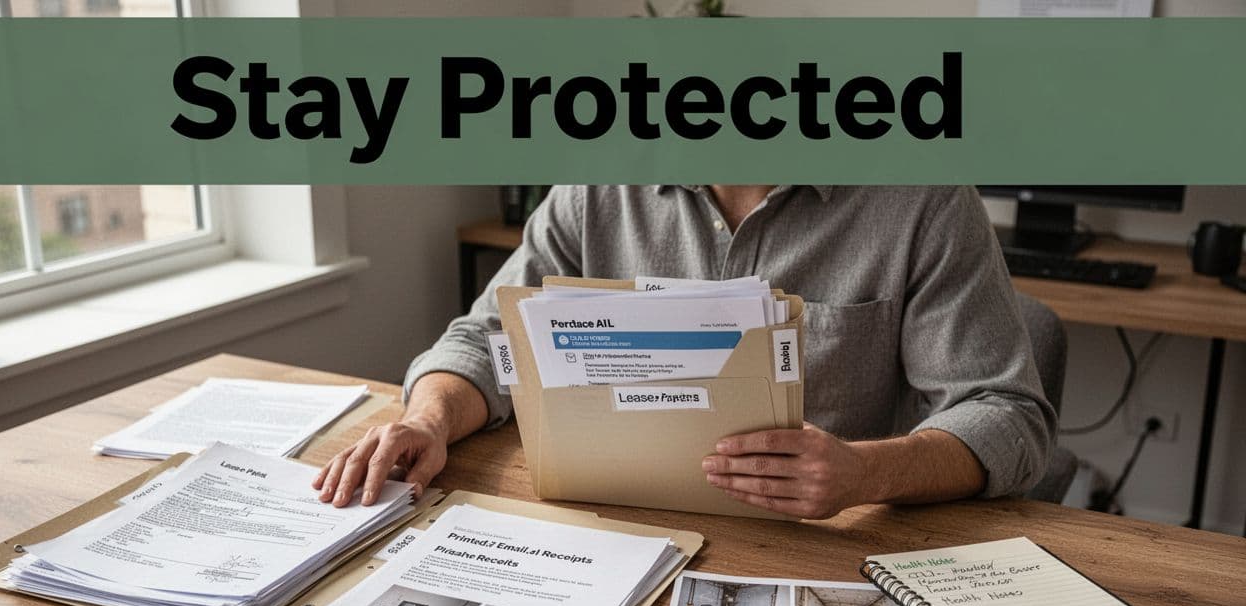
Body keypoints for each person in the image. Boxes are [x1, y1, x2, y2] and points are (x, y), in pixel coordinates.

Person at [312, 185, 1055, 520]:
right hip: (617, 527)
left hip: (820, 543)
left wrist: (864, 473)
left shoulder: (924, 203)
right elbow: (489, 336)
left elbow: (1006, 414)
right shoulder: (595, 189)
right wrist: (430, 421)